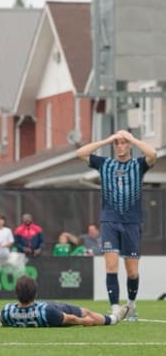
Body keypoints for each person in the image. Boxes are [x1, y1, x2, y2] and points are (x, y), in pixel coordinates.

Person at [76, 129, 157, 322]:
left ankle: (131, 305)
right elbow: (81, 153)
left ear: (128, 144)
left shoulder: (138, 165)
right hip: (109, 222)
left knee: (132, 270)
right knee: (111, 266)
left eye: (123, 142)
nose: (120, 145)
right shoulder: (105, 164)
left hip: (132, 223)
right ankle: (114, 309)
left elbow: (153, 154)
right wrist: (107, 139)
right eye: (117, 143)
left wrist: (133, 139)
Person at [0, 275, 128, 327]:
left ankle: (112, 318)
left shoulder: (7, 311)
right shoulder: (47, 311)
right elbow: (71, 318)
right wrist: (85, 322)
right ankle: (113, 319)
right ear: (35, 294)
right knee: (85, 312)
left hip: (37, 310)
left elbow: (2, 321)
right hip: (50, 311)